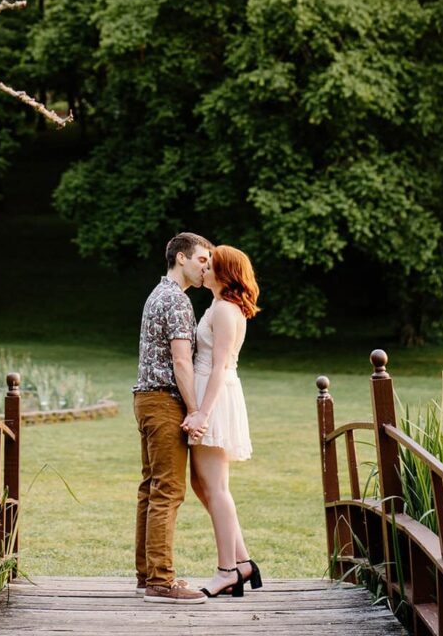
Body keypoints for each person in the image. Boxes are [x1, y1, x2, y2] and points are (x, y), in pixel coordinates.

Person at [133, 231, 213, 605]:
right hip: (164, 401)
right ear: (181, 258)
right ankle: (162, 581)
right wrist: (196, 409)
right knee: (168, 490)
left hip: (146, 399)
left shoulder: (156, 294)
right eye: (201, 260)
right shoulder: (177, 301)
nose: (206, 268)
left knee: (150, 488)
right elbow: (181, 361)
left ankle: (146, 574)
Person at [183, 244, 262, 598]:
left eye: (210, 264)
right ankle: (243, 562)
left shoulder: (228, 311)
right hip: (207, 392)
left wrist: (202, 412)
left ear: (224, 272)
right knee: (203, 486)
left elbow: (219, 366)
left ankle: (227, 570)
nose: (204, 268)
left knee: (215, 487)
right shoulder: (216, 304)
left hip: (214, 396)